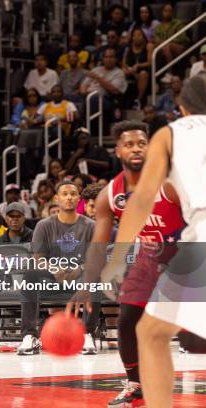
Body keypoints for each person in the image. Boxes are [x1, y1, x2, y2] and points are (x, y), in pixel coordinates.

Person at [72, 116, 191, 407]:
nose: (136, 148)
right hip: (148, 260)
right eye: (129, 144)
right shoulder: (110, 194)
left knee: (193, 338)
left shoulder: (171, 184)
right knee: (126, 322)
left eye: (141, 142)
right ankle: (135, 384)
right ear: (119, 151)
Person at [17, 181, 98, 356]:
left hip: (79, 278)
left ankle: (87, 333)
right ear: (56, 199)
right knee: (30, 274)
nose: (69, 197)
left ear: (79, 199)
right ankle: (29, 336)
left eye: (73, 194)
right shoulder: (44, 225)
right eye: (65, 194)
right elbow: (37, 258)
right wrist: (54, 269)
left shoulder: (91, 226)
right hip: (51, 278)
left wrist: (80, 268)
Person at [80, 48, 128, 123]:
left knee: (93, 98)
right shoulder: (96, 70)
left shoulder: (119, 73)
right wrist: (85, 93)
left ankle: (84, 125)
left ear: (115, 59)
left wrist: (98, 78)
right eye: (106, 57)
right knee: (68, 98)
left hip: (106, 99)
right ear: (103, 59)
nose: (108, 59)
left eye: (111, 57)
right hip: (87, 95)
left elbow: (114, 90)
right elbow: (83, 85)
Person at [122, 27, 153, 109]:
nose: (137, 37)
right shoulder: (128, 48)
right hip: (130, 73)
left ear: (143, 36)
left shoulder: (148, 46)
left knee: (143, 74)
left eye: (139, 35)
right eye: (134, 35)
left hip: (145, 73)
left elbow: (150, 62)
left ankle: (138, 100)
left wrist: (138, 65)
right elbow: (123, 64)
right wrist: (126, 70)